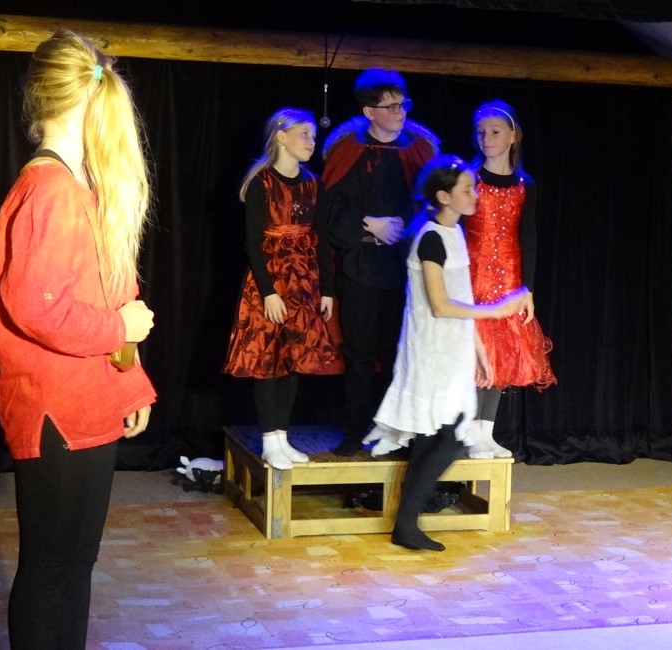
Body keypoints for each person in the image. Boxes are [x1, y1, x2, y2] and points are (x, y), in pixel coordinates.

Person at [0, 31, 157, 649]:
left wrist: (132, 382)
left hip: (88, 400)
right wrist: (119, 331)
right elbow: (34, 306)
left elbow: (110, 299)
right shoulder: (51, 189)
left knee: (76, 564)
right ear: (87, 98)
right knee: (52, 566)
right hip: (54, 408)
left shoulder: (77, 187)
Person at [364, 154, 525, 551]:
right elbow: (440, 304)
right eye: (466, 190)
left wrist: (479, 349)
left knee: (439, 438)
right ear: (443, 196)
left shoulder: (454, 235)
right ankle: (407, 523)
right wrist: (497, 311)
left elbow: (460, 296)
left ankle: (406, 524)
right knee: (448, 437)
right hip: (431, 352)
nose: (474, 195)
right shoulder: (431, 238)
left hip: (451, 350)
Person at [315, 68, 439, 457]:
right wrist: (370, 225)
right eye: (391, 106)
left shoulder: (419, 152)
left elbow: (433, 208)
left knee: (400, 352)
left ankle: (395, 433)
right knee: (359, 355)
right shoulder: (348, 152)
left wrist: (408, 229)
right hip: (360, 270)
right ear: (369, 112)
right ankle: (355, 431)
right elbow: (328, 214)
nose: (401, 112)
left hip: (407, 272)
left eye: (403, 104)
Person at [223, 108, 341, 470]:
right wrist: (269, 292)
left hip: (303, 282)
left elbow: (321, 239)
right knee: (268, 360)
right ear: (281, 137)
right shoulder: (261, 183)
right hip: (271, 282)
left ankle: (282, 436)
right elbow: (253, 243)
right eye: (304, 134)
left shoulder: (313, 184)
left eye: (313, 136)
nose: (311, 141)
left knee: (292, 359)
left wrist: (327, 290)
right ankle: (269, 440)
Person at [463, 100, 557, 460]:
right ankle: (470, 432)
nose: (486, 138)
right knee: (478, 355)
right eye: (481, 132)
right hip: (473, 278)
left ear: (513, 136)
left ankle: (486, 433)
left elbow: (528, 235)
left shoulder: (524, 185)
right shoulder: (469, 179)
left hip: (508, 280)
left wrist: (526, 288)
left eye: (494, 132)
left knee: (501, 356)